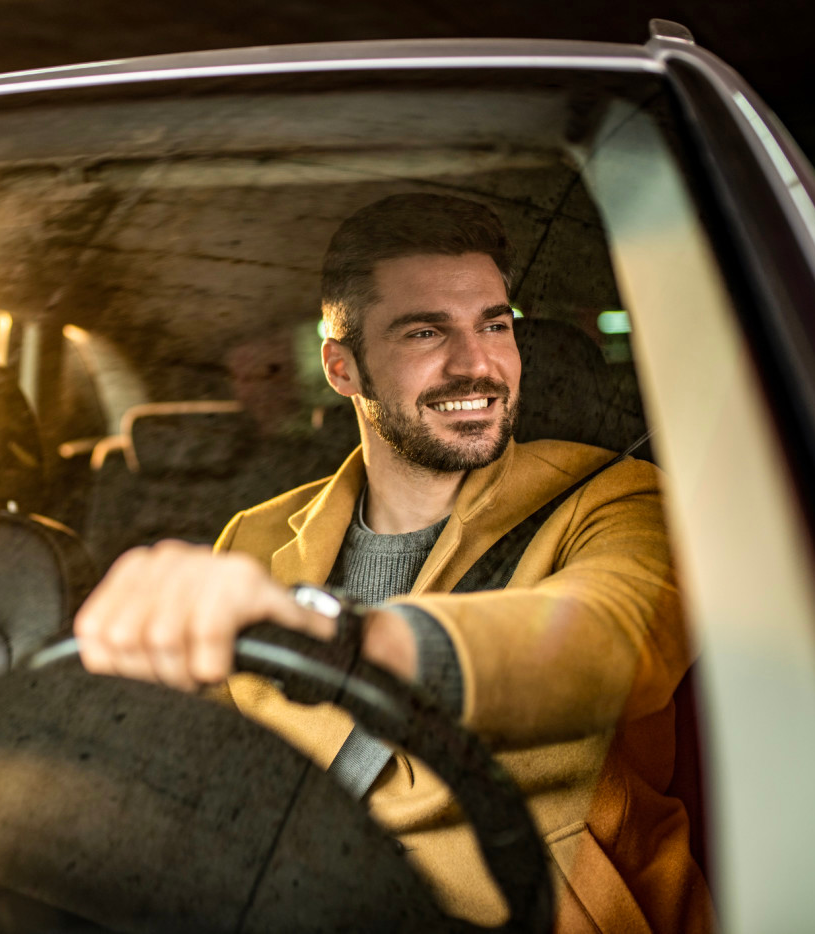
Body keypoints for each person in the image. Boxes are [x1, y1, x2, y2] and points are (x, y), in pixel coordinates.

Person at [75, 194, 711, 933]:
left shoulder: (617, 498)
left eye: (495, 326)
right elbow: (201, 772)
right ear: (343, 368)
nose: (477, 365)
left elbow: (609, 641)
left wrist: (339, 640)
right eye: (424, 331)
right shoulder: (258, 533)